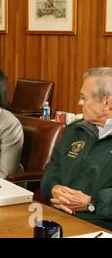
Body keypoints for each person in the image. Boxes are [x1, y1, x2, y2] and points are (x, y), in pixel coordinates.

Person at [41, 67, 112, 231]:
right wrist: (54, 188)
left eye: (83, 98)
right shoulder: (75, 130)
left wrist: (90, 203)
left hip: (101, 225)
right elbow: (53, 168)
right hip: (59, 216)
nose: (79, 103)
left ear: (106, 102)